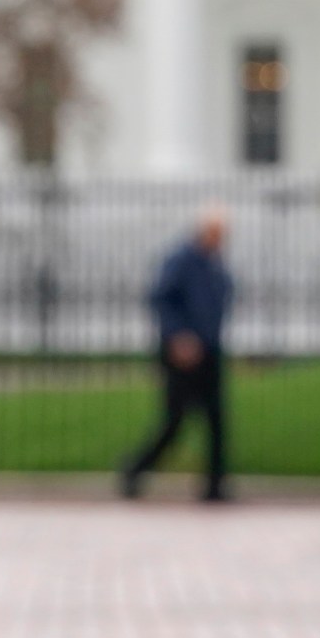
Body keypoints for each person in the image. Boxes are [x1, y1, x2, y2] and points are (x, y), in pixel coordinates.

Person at [120, 205, 235, 502]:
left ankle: (215, 486)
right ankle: (134, 469)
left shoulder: (215, 263)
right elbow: (160, 298)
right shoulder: (181, 260)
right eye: (216, 231)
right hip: (182, 354)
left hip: (209, 351)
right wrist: (178, 337)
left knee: (217, 420)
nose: (220, 238)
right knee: (174, 422)